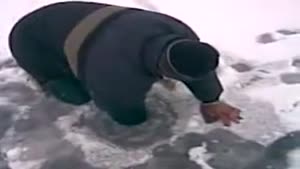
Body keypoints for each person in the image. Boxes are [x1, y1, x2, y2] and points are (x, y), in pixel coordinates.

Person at [9, 1, 242, 126]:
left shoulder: (180, 32)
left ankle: (78, 59)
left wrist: (211, 99)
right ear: (165, 71)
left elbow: (196, 67)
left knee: (92, 62)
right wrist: (136, 120)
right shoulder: (116, 73)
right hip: (31, 41)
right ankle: (47, 79)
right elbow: (123, 111)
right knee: (77, 95)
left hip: (69, 17)